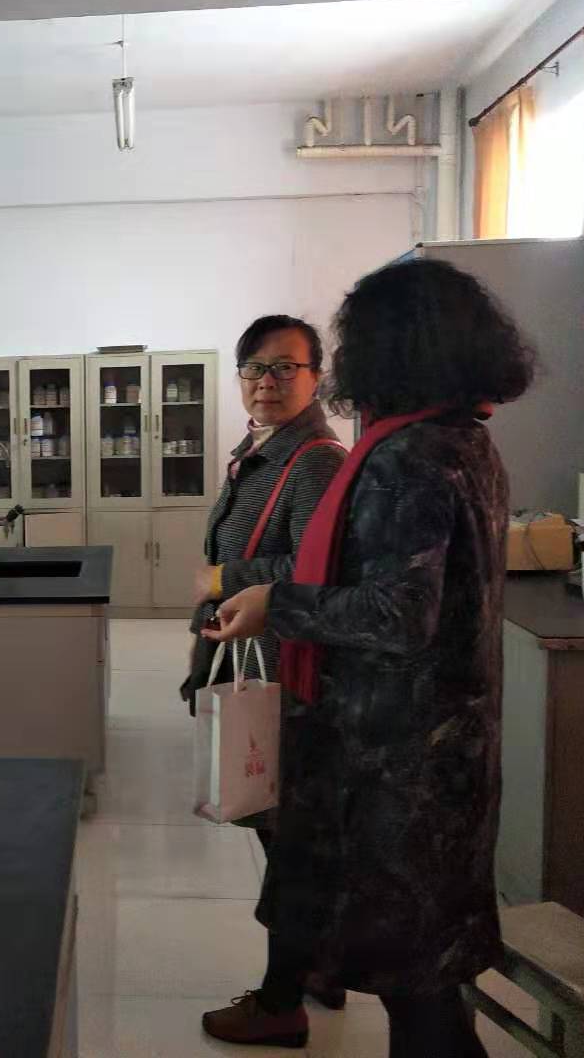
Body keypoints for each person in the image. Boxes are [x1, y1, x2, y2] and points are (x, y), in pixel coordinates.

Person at [200, 257, 534, 1057]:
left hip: (399, 760)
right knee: (423, 971)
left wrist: (276, 602)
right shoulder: (466, 441)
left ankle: (291, 999)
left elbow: (399, 612)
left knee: (416, 983)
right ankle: (289, 995)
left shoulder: (406, 457)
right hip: (444, 745)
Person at [180, 315, 347, 1019]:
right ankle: (320, 966)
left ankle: (283, 997)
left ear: (316, 378)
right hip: (250, 659)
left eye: (285, 368)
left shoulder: (314, 460)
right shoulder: (261, 449)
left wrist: (224, 578)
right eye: (253, 368)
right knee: (278, 824)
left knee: (288, 833)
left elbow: (313, 569)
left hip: (285, 674)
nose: (266, 382)